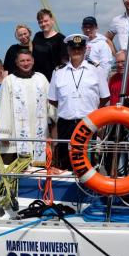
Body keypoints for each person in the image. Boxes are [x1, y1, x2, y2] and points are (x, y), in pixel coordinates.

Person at [48, 34, 110, 170]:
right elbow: (52, 99)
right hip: (66, 124)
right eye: (73, 48)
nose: (76, 51)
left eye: (80, 48)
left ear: (85, 49)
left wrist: (93, 110)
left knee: (89, 162)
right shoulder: (58, 72)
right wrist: (67, 107)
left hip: (88, 123)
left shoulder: (96, 69)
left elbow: (105, 96)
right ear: (68, 50)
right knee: (66, 162)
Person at [0, 49, 54, 165]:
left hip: (39, 136)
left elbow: (50, 103)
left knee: (39, 169)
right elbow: (3, 108)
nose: (26, 63)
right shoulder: (9, 80)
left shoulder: (41, 78)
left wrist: (54, 126)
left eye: (28, 60)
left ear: (33, 61)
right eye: (22, 61)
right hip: (15, 136)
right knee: (14, 168)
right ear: (17, 63)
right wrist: (3, 134)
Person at [32, 8, 67, 81]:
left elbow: (64, 62)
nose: (43, 24)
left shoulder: (61, 39)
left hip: (54, 79)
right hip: (37, 79)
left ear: (52, 20)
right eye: (40, 22)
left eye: (45, 21)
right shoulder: (37, 36)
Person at [81, 16, 115, 80]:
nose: (88, 30)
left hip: (96, 79)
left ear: (96, 28)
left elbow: (106, 65)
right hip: (82, 78)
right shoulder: (80, 43)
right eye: (85, 27)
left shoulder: (102, 44)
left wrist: (102, 80)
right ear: (82, 28)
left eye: (91, 27)